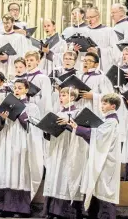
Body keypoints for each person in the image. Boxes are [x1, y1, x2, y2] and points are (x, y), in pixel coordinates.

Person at [0, 79, 43, 217]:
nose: (16, 90)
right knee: (5, 172)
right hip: (6, 141)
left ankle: (19, 209)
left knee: (19, 173)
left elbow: (35, 128)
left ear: (26, 90)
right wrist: (2, 118)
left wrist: (20, 114)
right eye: (15, 88)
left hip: (22, 143)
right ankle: (1, 207)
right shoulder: (7, 104)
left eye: (19, 88)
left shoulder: (32, 107)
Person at [68, 93, 121, 219]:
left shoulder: (112, 121)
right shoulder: (106, 120)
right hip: (101, 158)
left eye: (105, 103)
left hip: (106, 161)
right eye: (102, 103)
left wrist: (79, 128)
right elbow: (95, 139)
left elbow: (99, 136)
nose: (101, 106)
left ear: (113, 106)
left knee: (104, 191)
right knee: (97, 189)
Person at [42, 87, 88, 219]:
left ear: (72, 98)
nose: (61, 97)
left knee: (66, 178)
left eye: (64, 95)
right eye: (60, 95)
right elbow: (51, 135)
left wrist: (68, 124)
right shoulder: (56, 112)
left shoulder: (78, 113)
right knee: (55, 177)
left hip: (70, 151)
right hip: (57, 150)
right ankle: (52, 211)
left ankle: (66, 212)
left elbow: (81, 133)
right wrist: (46, 129)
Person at [0, 14, 31, 78]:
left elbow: (23, 56)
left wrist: (8, 57)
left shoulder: (20, 38)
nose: (5, 25)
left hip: (13, 70)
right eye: (4, 23)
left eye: (8, 23)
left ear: (13, 23)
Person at [76, 52, 114, 117]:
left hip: (93, 111)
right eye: (84, 60)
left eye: (89, 61)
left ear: (96, 65)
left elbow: (110, 97)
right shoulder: (79, 76)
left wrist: (93, 96)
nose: (85, 62)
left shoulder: (101, 78)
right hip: (79, 108)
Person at [85, 7, 119, 73]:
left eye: (91, 17)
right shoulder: (83, 31)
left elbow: (116, 50)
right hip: (86, 63)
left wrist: (99, 50)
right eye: (87, 18)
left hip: (102, 65)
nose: (89, 20)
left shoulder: (109, 31)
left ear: (98, 17)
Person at [25, 51, 52, 117]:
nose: (28, 62)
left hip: (38, 109)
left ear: (38, 61)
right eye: (27, 60)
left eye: (31, 60)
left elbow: (46, 98)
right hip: (25, 108)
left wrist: (45, 115)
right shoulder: (24, 77)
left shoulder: (43, 78)